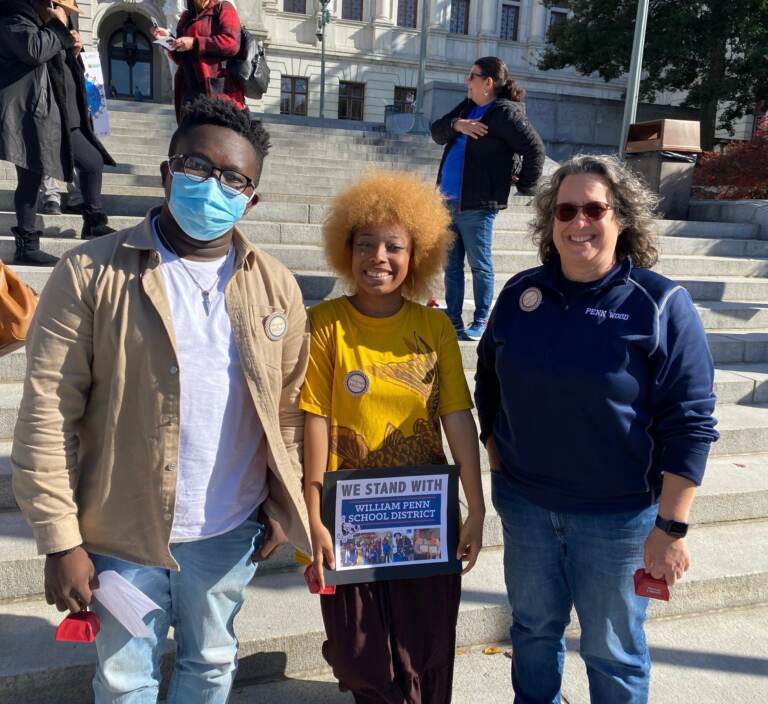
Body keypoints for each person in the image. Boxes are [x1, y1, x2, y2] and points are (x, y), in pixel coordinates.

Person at [12, 96, 312, 703]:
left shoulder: (276, 284)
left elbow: (286, 408)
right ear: (168, 170)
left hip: (229, 527)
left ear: (251, 199)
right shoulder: (91, 272)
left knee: (211, 664)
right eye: (198, 167)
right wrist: (61, 541)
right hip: (120, 530)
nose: (214, 186)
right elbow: (47, 412)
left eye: (234, 178)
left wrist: (284, 501)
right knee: (125, 681)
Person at [474, 154, 719, 703]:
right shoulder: (520, 295)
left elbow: (692, 422)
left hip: (619, 520)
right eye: (565, 210)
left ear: (621, 219)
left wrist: (671, 528)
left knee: (613, 649)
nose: (577, 221)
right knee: (533, 633)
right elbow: (488, 382)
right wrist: (500, 464)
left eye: (593, 208)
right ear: (550, 220)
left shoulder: (660, 305)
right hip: (528, 509)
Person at [300, 171, 485, 703]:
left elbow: (456, 418)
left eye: (393, 246)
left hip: (425, 518)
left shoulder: (435, 329)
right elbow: (315, 418)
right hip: (346, 518)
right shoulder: (325, 323)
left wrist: (474, 506)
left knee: (426, 648)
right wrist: (313, 515)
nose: (377, 257)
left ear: (417, 255)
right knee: (361, 654)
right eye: (365, 244)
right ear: (346, 250)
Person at [431, 56, 545, 341]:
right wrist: (458, 125)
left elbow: (534, 148)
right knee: (452, 265)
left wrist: (525, 184)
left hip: (478, 205)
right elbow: (437, 131)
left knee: (480, 265)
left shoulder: (503, 112)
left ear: (488, 82)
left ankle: (482, 319)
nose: (467, 81)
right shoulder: (469, 107)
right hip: (447, 202)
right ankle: (453, 318)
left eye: (472, 76)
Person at [0, 0, 116, 262]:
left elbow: (59, 64)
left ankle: (93, 221)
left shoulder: (49, 23)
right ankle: (26, 245)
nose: (59, 8)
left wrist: (74, 50)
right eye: (53, 3)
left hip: (61, 113)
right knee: (30, 177)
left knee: (92, 161)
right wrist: (59, 26)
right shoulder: (13, 15)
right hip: (30, 113)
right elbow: (33, 50)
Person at [151, 0, 245, 124]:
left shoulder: (223, 8)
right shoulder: (185, 18)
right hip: (189, 89)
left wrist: (195, 43)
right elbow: (180, 58)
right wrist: (168, 40)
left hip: (217, 87)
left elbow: (231, 43)